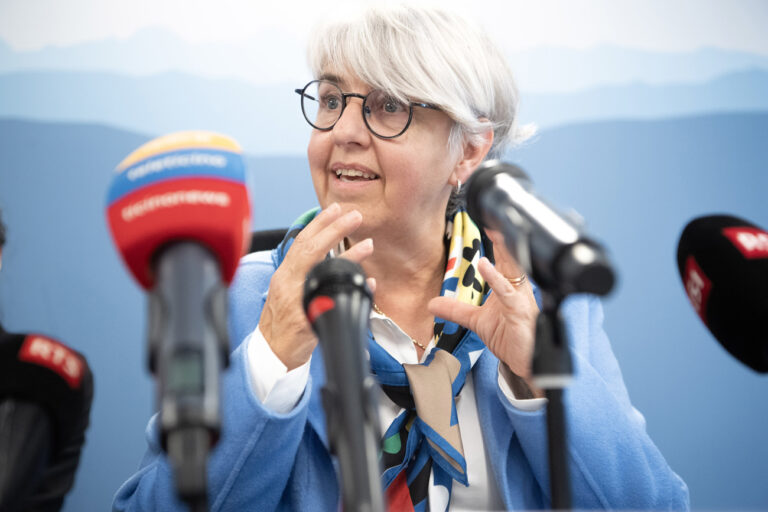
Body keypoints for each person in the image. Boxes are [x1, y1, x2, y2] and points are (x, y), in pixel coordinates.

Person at [114, 5, 689, 511]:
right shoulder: (240, 299)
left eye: (388, 106)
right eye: (333, 99)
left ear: (467, 150)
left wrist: (539, 380)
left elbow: (656, 505)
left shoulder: (541, 299)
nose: (343, 131)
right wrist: (269, 361)